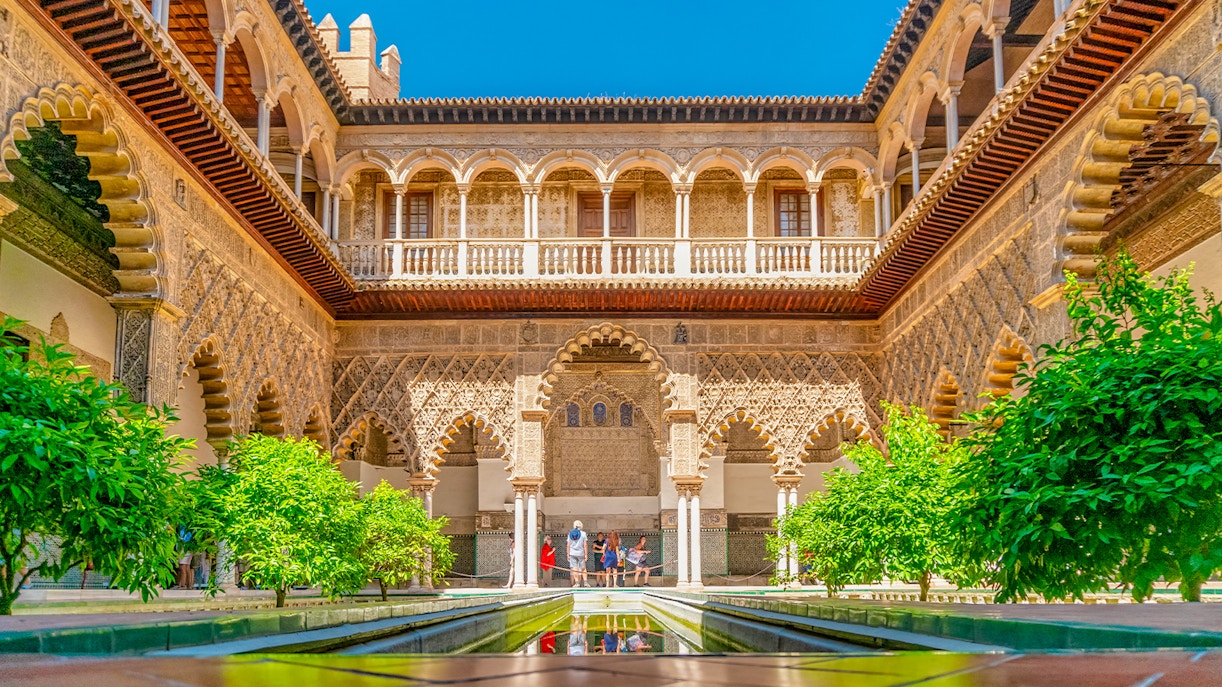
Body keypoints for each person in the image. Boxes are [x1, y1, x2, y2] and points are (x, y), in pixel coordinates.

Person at [567, 520, 589, 588]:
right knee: (583, 568)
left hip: (572, 553)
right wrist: (586, 554)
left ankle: (577, 583)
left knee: (575, 568)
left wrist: (568, 554)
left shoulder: (570, 533)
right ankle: (585, 582)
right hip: (581, 553)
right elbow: (585, 545)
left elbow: (568, 545)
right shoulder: (583, 533)